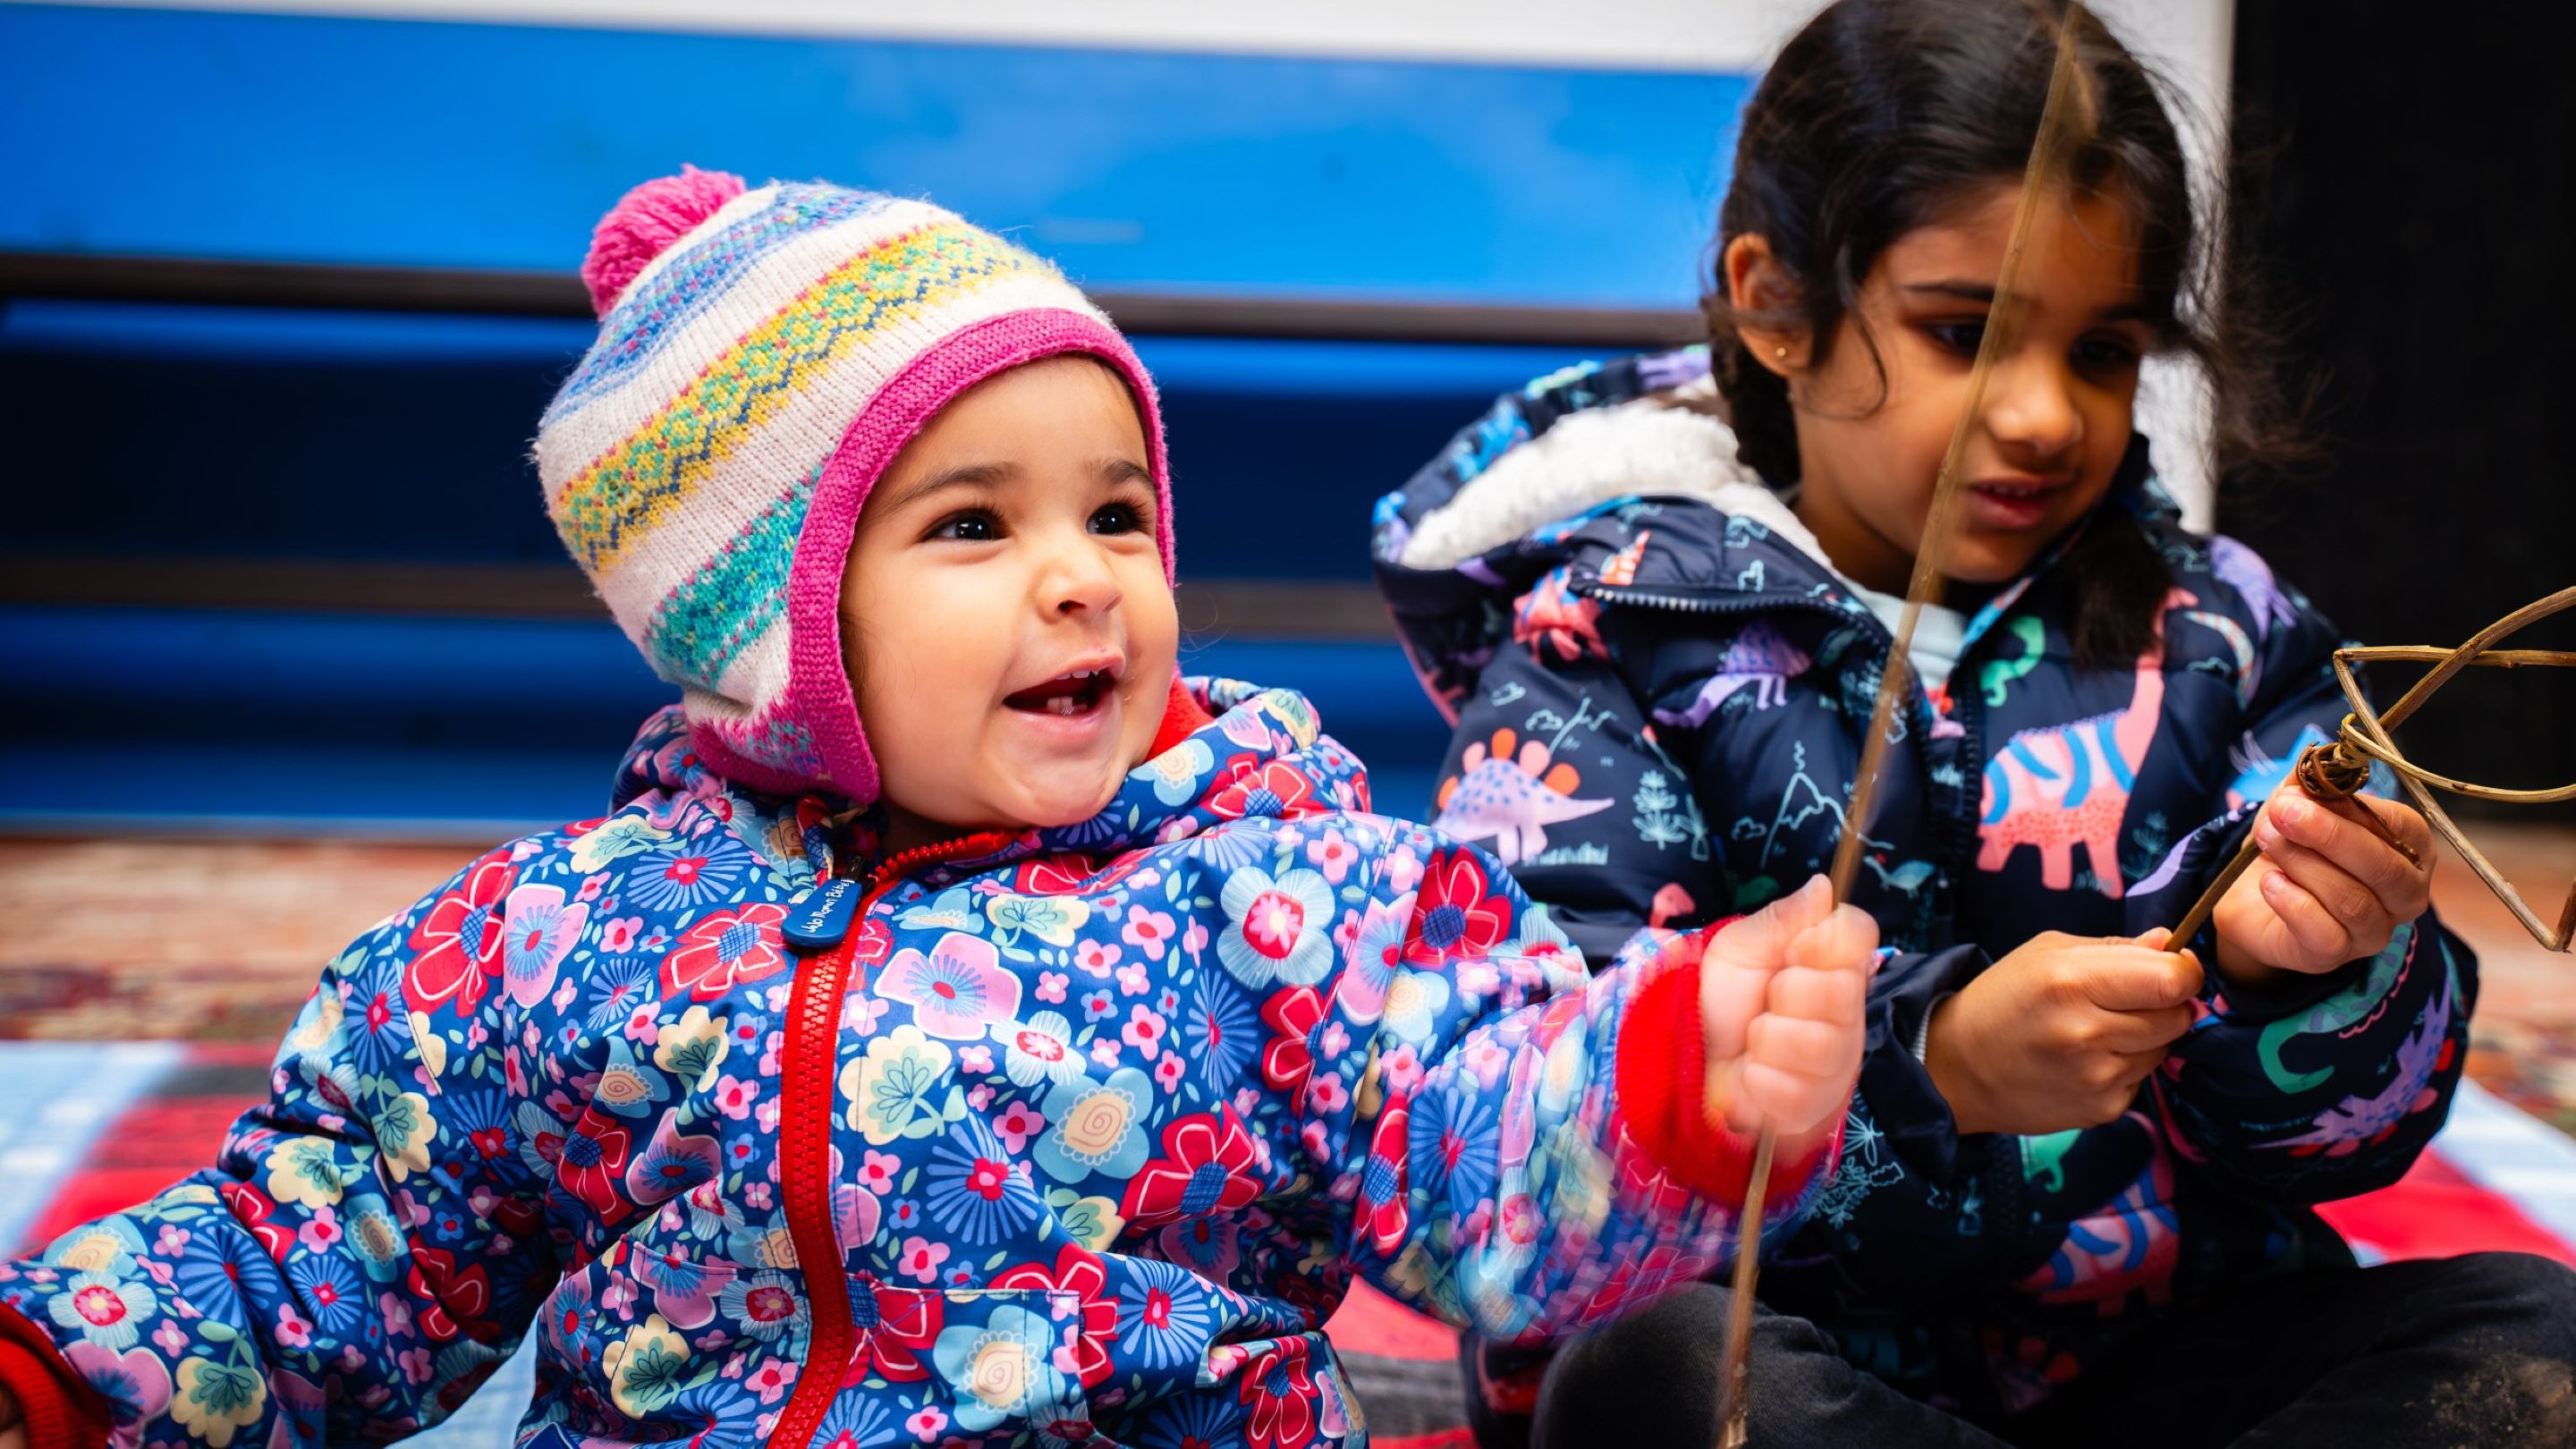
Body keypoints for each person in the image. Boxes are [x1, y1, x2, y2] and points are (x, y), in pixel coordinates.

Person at [0, 169, 1877, 1448]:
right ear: (768, 632)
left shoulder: (1283, 897)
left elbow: (1485, 1136)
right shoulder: (558, 941)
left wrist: (1669, 1083)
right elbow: (334, 1243)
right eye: (973, 524)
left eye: (1116, 514)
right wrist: (63, 1377)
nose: (1082, 577)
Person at [1370, 2, 2576, 1445]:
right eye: (1965, 332)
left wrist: (2303, 976)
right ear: (1776, 304)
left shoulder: (2224, 630)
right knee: (1662, 1379)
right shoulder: (1607, 638)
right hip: (1788, 1358)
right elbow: (1538, 1133)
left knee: (2537, 1340)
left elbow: (2356, 1138)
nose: (2046, 415)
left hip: (2157, 1353)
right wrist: (1933, 1067)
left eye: (2104, 350)